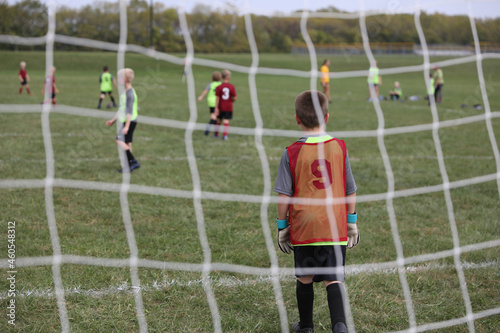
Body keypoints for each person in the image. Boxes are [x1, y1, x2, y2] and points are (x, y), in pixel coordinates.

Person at [273, 90, 358, 333]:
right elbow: (350, 190)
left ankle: (307, 327)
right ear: (327, 117)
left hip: (304, 225)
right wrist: (351, 222)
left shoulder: (290, 152)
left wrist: (282, 227)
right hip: (334, 224)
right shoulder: (340, 147)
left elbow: (283, 196)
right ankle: (340, 327)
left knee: (305, 278)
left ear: (296, 119)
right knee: (334, 278)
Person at [105, 68, 140, 173]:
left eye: (119, 77)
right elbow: (121, 109)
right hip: (127, 121)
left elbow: (129, 112)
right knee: (128, 143)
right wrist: (113, 120)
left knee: (119, 140)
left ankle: (133, 162)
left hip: (129, 121)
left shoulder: (130, 93)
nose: (117, 79)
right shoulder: (125, 92)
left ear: (125, 79)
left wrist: (126, 126)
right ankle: (128, 167)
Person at [214, 69, 237, 140]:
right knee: (226, 120)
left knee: (219, 120)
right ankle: (225, 135)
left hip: (221, 106)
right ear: (228, 77)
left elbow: (217, 98)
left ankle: (216, 134)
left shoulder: (219, 87)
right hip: (228, 107)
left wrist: (216, 108)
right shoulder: (231, 86)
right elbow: (235, 97)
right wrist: (231, 101)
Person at [197, 71, 222, 136]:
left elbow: (205, 90)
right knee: (216, 117)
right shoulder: (221, 84)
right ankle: (211, 129)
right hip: (218, 102)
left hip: (211, 101)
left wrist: (201, 96)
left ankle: (211, 129)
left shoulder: (211, 84)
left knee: (214, 116)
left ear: (212, 78)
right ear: (220, 78)